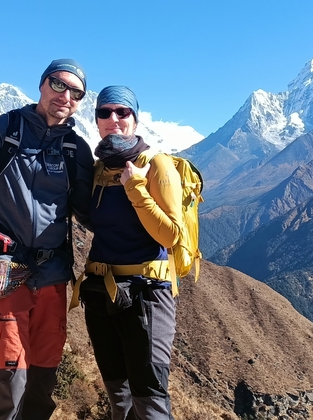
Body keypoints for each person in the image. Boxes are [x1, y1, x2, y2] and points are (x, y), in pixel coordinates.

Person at [0, 59, 94, 420]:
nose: (66, 96)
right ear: (42, 84)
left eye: (76, 93)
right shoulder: (3, 131)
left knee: (43, 380)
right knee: (10, 376)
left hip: (54, 273)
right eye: (59, 85)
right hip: (4, 271)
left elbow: (90, 214)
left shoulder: (76, 150)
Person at [72, 86, 181, 419]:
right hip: (101, 294)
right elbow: (94, 219)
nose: (113, 119)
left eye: (122, 112)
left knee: (149, 399)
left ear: (135, 118)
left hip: (147, 295)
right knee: (118, 398)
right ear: (96, 120)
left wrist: (135, 187)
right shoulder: (97, 171)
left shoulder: (157, 166)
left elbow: (171, 235)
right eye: (104, 113)